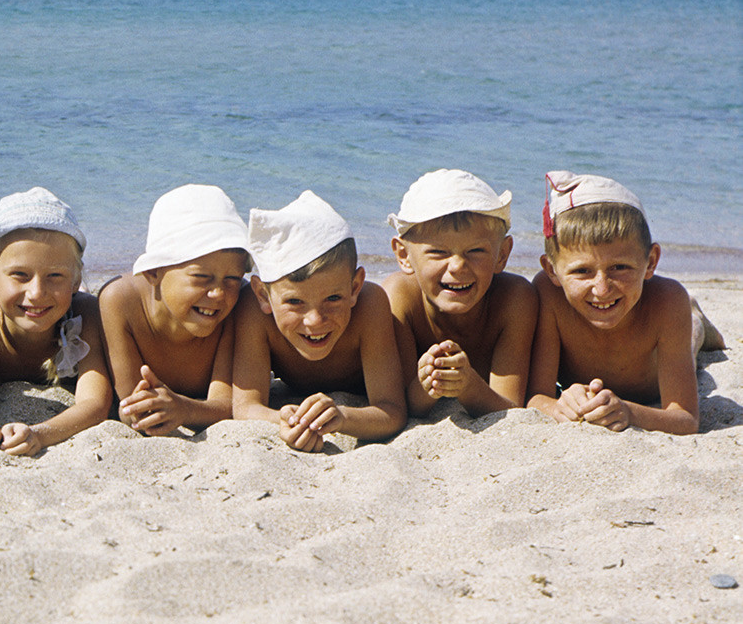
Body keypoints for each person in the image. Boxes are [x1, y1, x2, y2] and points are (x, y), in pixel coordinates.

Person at [0, 187, 113, 456]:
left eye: (55, 275)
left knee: (74, 302)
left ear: (76, 278)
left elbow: (95, 404)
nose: (36, 292)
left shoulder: (85, 316)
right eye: (20, 274)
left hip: (69, 303)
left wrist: (40, 434)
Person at [232, 190, 406, 451]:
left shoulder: (370, 305)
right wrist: (284, 419)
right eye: (294, 302)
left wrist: (343, 417)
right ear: (262, 294)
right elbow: (245, 408)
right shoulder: (255, 312)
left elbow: (391, 411)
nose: (314, 321)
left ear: (356, 286)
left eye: (333, 298)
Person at [527, 171, 699, 434]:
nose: (602, 288)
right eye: (582, 271)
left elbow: (686, 419)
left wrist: (629, 412)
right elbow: (536, 397)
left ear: (651, 262)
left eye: (620, 267)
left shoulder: (667, 301)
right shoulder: (548, 295)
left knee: (696, 336)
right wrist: (559, 406)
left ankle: (697, 317)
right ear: (552, 270)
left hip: (666, 354)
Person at [382, 169, 537, 417]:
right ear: (403, 255)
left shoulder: (514, 299)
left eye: (475, 250)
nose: (457, 266)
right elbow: (401, 408)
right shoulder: (399, 299)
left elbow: (511, 408)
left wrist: (467, 386)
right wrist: (428, 385)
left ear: (503, 254)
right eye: (438, 252)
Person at [98, 184, 249, 435]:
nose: (219, 293)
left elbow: (226, 406)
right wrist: (149, 410)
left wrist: (184, 410)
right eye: (201, 277)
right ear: (154, 271)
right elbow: (134, 406)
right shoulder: (120, 302)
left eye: (232, 278)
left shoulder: (238, 304)